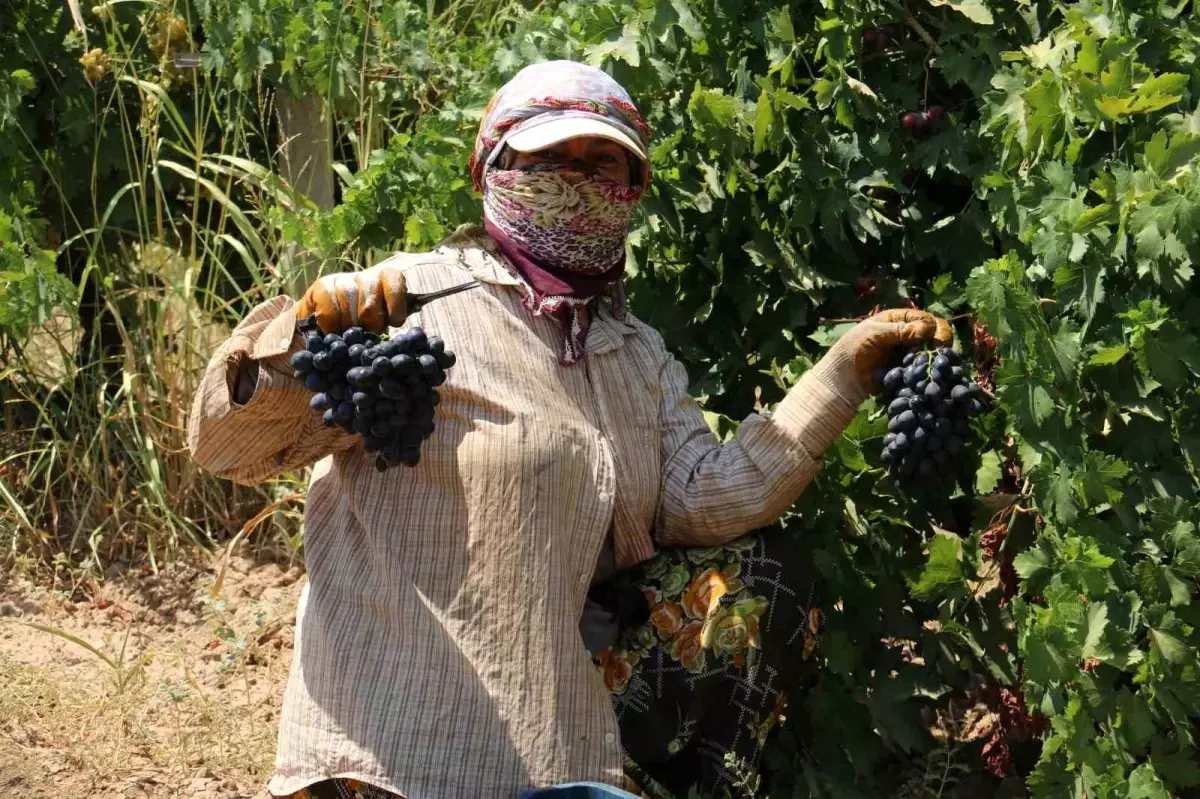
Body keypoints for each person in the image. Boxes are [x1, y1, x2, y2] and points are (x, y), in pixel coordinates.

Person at [187, 60, 952, 799]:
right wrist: (289, 340)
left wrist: (844, 371)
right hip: (392, 747)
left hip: (550, 739)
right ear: (496, 166)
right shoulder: (408, 302)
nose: (582, 182)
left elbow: (707, 496)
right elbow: (227, 445)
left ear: (633, 191)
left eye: (604, 164)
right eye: (554, 157)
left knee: (759, 575)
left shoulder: (633, 350)